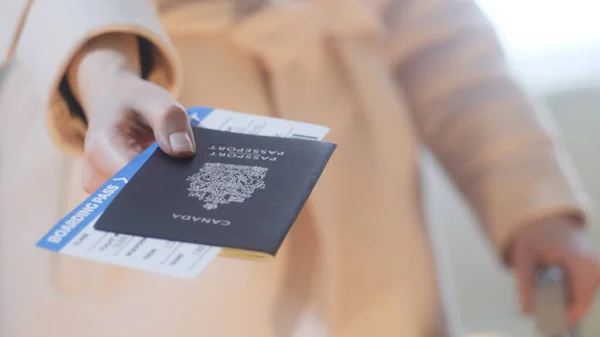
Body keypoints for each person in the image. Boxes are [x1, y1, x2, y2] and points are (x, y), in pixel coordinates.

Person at [1, 0, 598, 336]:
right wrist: (102, 71)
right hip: (139, 113)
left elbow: (433, 24)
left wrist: (526, 193)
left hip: (359, 171)